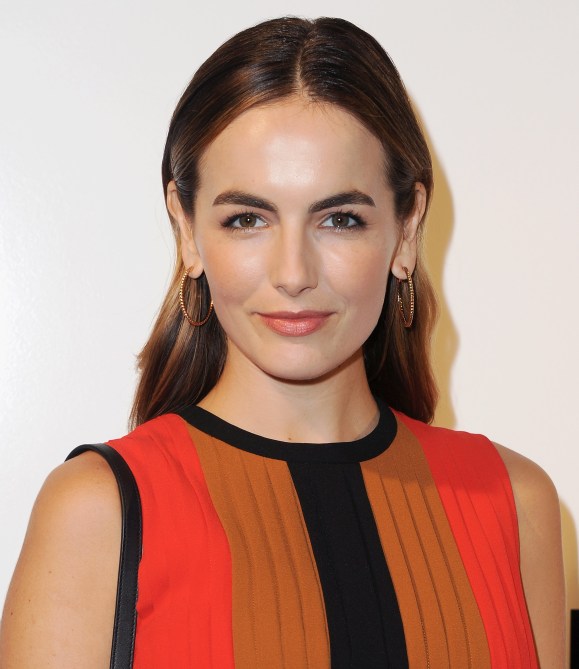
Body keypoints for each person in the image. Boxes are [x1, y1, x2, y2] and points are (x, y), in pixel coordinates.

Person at [0, 16, 566, 669]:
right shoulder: (97, 512)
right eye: (247, 219)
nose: (293, 273)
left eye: (340, 219)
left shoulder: (514, 503)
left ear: (407, 229)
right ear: (186, 230)